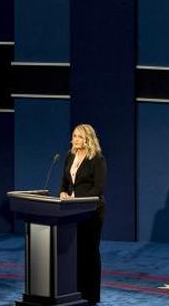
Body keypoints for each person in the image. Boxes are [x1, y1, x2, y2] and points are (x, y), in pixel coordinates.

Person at [59, 123, 107, 305]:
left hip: (92, 211)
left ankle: (92, 295)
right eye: (74, 136)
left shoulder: (97, 159)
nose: (75, 139)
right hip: (73, 211)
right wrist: (63, 193)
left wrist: (75, 197)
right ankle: (78, 290)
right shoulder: (69, 157)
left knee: (90, 250)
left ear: (88, 139)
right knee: (77, 250)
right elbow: (64, 182)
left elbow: (99, 188)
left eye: (79, 136)